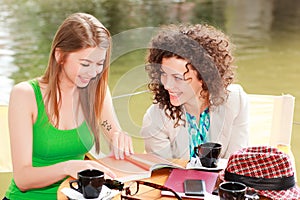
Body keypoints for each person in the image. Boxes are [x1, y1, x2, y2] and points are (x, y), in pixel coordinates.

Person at [4, 13, 133, 200]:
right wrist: (68, 167)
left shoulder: (97, 91)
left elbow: (112, 131)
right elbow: (23, 179)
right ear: (60, 55)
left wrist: (118, 137)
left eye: (99, 64)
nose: (93, 72)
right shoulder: (25, 95)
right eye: (85, 63)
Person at [140, 23, 249, 160]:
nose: (167, 85)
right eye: (163, 74)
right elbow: (163, 171)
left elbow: (236, 161)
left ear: (204, 77)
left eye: (178, 78)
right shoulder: (155, 118)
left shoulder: (235, 100)